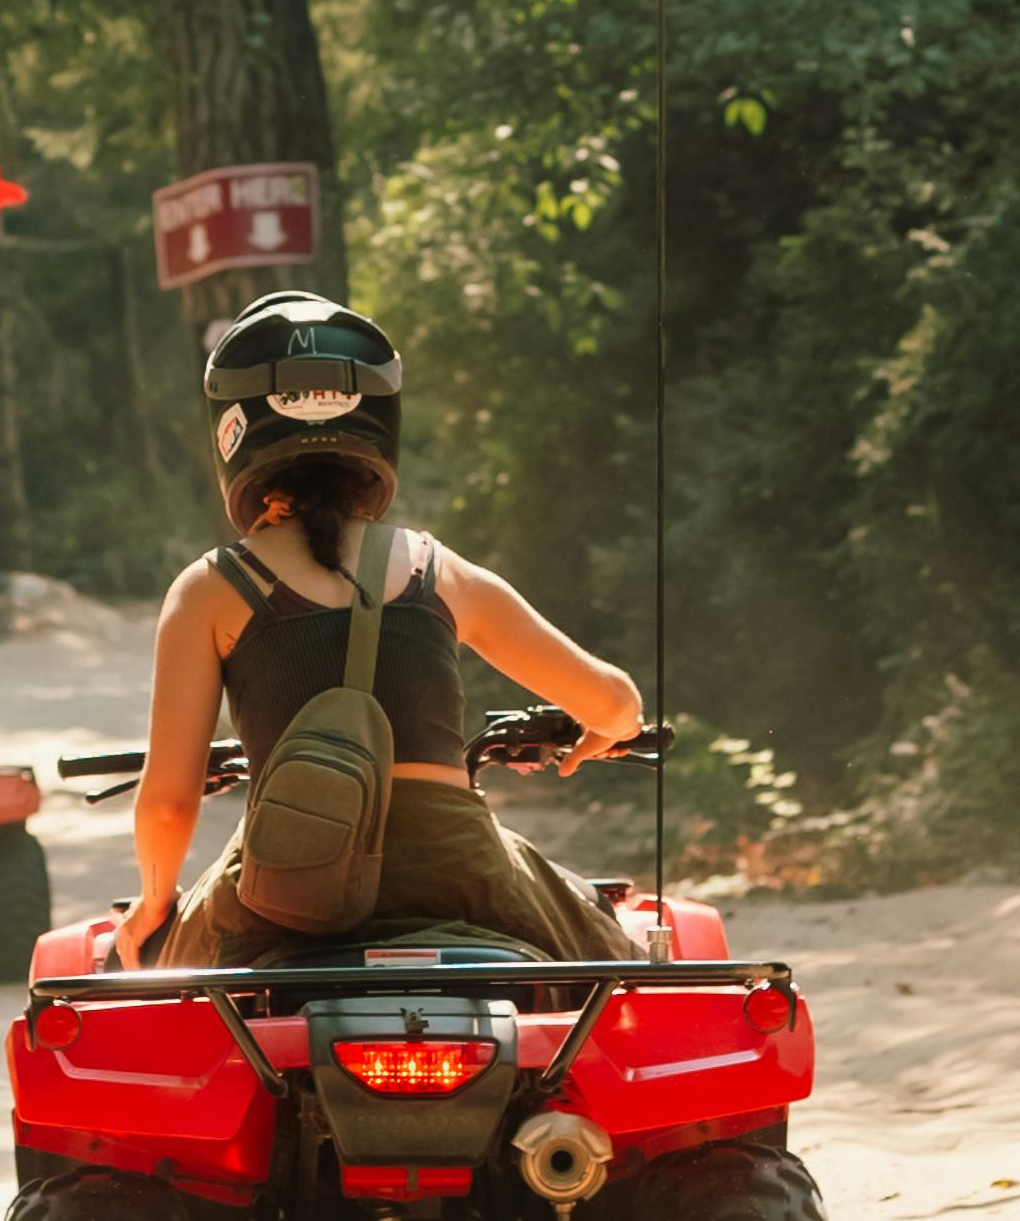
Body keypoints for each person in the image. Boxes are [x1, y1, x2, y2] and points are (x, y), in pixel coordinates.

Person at [119, 292, 643, 969]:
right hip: (461, 872)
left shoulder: (210, 590)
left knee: (162, 1002)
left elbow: (166, 803)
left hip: (284, 886)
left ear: (233, 431)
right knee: (618, 962)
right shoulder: (436, 570)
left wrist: (153, 906)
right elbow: (614, 702)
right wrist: (610, 725)